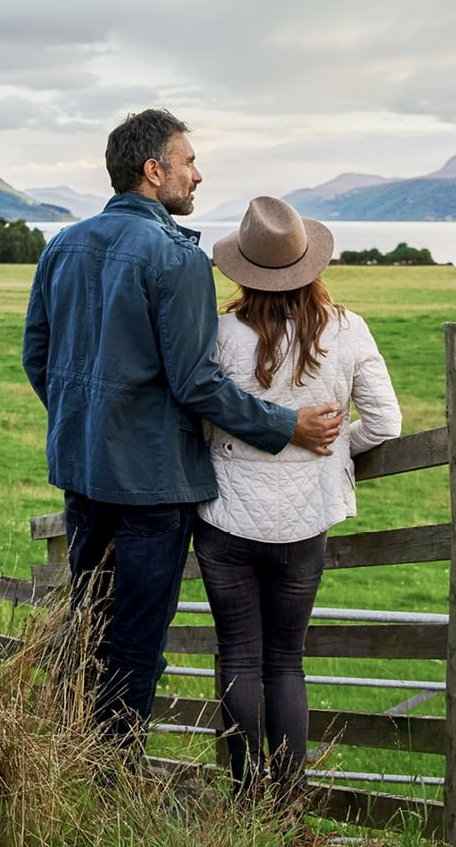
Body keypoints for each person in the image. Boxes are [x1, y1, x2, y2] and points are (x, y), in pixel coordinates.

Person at [22, 110, 343, 754]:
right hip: (153, 484)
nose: (198, 173)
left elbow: (38, 355)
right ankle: (112, 779)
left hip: (83, 470)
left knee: (90, 623)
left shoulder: (62, 244)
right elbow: (196, 383)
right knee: (137, 639)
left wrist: (86, 425)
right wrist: (286, 426)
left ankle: (72, 763)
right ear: (154, 171)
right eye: (188, 160)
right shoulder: (176, 257)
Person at [195, 196, 402, 799]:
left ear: (244, 270)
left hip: (227, 518)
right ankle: (289, 799)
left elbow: (203, 419)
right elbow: (385, 424)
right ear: (309, 264)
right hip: (305, 519)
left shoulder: (220, 334)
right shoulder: (348, 330)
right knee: (286, 660)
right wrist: (335, 449)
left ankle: (246, 798)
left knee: (237, 654)